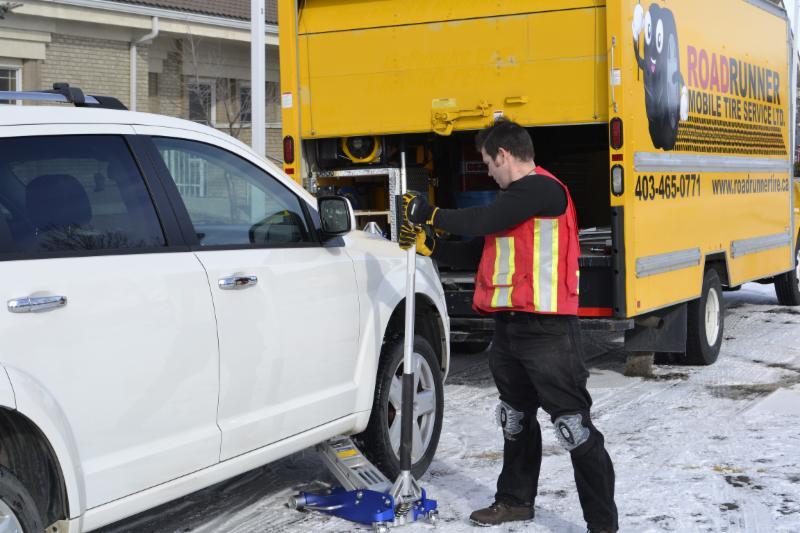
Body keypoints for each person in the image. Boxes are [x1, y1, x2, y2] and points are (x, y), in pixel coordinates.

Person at [399, 119, 618, 533]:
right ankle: (515, 501)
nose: (488, 172)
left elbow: (482, 219)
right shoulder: (514, 204)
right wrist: (434, 245)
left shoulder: (541, 189)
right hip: (510, 326)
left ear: (504, 154)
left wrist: (431, 212)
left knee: (572, 426)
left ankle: (603, 524)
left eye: (488, 163)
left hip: (548, 330)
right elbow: (480, 252)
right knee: (515, 419)